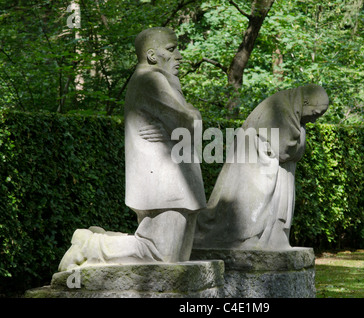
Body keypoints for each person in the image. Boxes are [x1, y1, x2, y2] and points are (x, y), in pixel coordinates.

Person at [58, 27, 206, 271]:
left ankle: (98, 239)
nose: (179, 56)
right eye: (171, 49)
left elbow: (187, 126)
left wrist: (184, 125)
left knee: (174, 260)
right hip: (165, 187)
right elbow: (188, 122)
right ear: (151, 55)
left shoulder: (164, 81)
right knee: (160, 255)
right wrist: (188, 121)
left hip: (177, 185)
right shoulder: (150, 79)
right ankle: (90, 246)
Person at [194, 84, 328, 250]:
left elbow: (290, 150)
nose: (314, 120)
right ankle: (249, 236)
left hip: (267, 166)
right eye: (315, 114)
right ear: (306, 103)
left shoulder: (291, 110)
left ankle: (272, 236)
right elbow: (284, 150)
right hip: (255, 169)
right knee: (250, 204)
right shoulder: (281, 109)